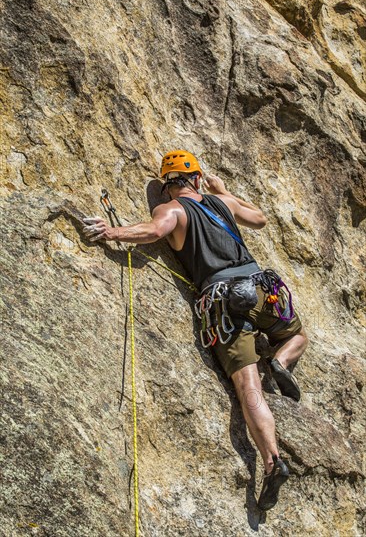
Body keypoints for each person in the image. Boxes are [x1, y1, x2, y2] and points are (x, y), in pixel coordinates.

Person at [83, 150, 308, 511]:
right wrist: (225, 189)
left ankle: (272, 461)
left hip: (224, 302)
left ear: (168, 186)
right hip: (261, 288)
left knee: (248, 386)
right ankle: (280, 360)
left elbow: (154, 231)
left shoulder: (171, 209)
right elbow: (261, 219)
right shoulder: (222, 202)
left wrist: (111, 231)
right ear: (198, 179)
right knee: (298, 336)